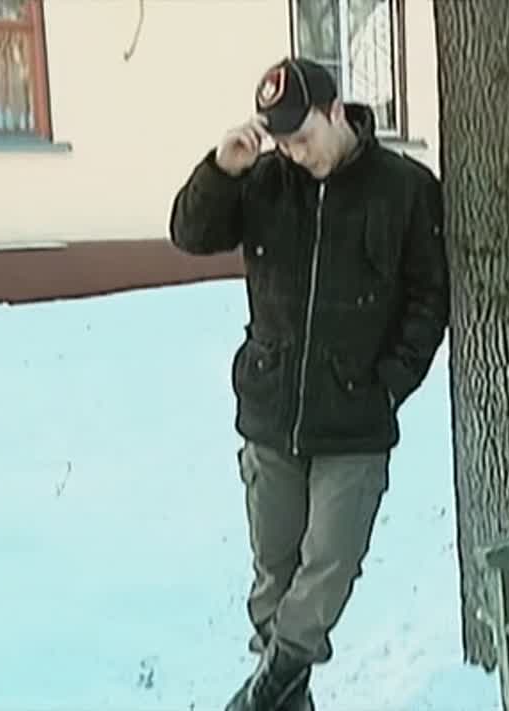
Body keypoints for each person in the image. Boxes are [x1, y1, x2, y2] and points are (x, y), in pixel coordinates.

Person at [169, 57, 448, 711]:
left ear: (335, 112)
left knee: (329, 563)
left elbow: (429, 298)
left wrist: (388, 385)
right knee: (274, 573)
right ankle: (284, 699)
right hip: (271, 408)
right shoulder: (266, 180)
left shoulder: (404, 188)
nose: (294, 153)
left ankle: (264, 692)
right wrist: (222, 170)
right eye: (283, 142)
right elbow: (190, 234)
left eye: (302, 138)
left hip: (356, 417)